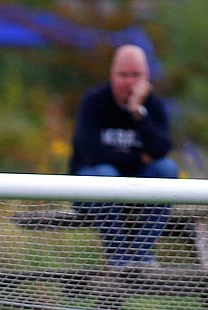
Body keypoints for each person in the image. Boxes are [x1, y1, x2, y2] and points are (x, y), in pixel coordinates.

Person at [70, 45, 180, 266]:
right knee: (106, 173)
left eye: (135, 75)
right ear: (112, 75)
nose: (129, 82)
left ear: (146, 77)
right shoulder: (93, 102)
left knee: (167, 169)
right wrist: (138, 160)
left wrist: (137, 112)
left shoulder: (153, 106)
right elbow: (92, 155)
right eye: (123, 75)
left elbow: (161, 150)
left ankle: (141, 256)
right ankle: (119, 257)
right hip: (93, 190)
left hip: (135, 191)